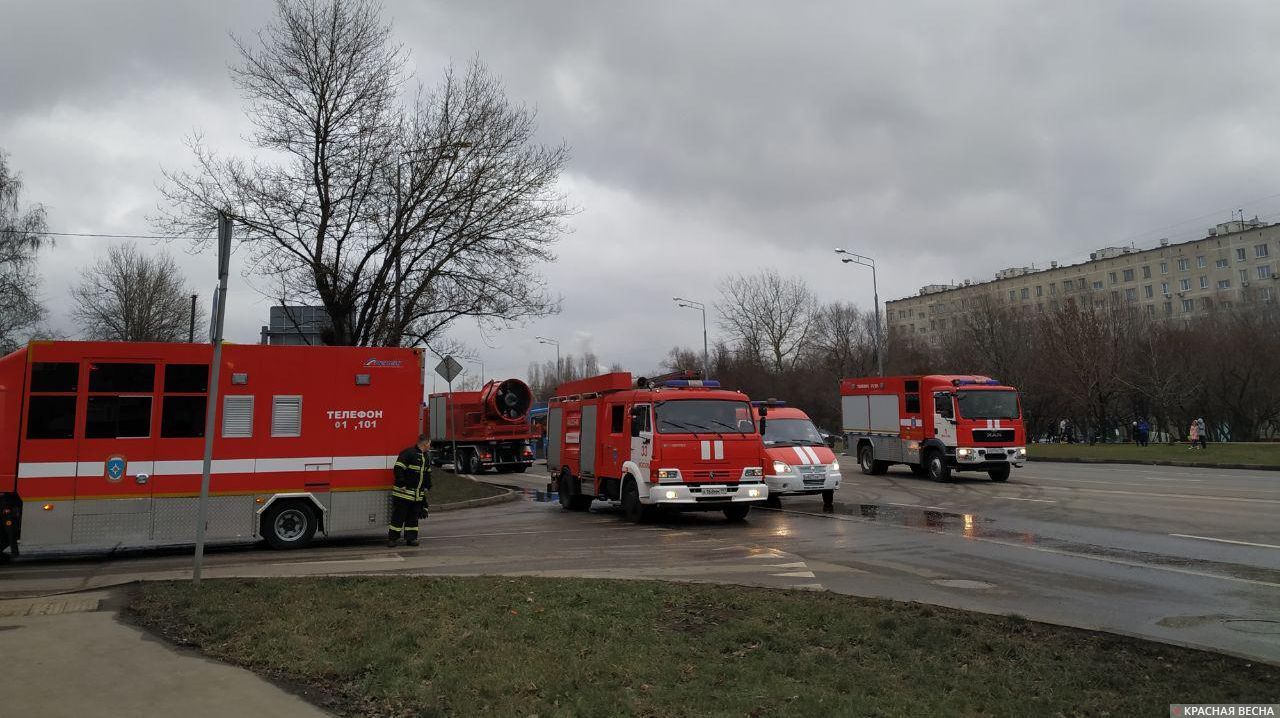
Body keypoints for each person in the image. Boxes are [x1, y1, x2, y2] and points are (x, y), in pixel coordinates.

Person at [390, 434, 432, 547]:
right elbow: (398, 468)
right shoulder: (408, 453)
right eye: (429, 444)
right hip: (404, 493)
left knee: (413, 518)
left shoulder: (425, 457)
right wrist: (401, 483)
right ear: (425, 443)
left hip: (416, 495)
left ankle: (411, 538)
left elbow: (427, 473)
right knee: (398, 517)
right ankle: (393, 539)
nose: (430, 446)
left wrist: (428, 486)